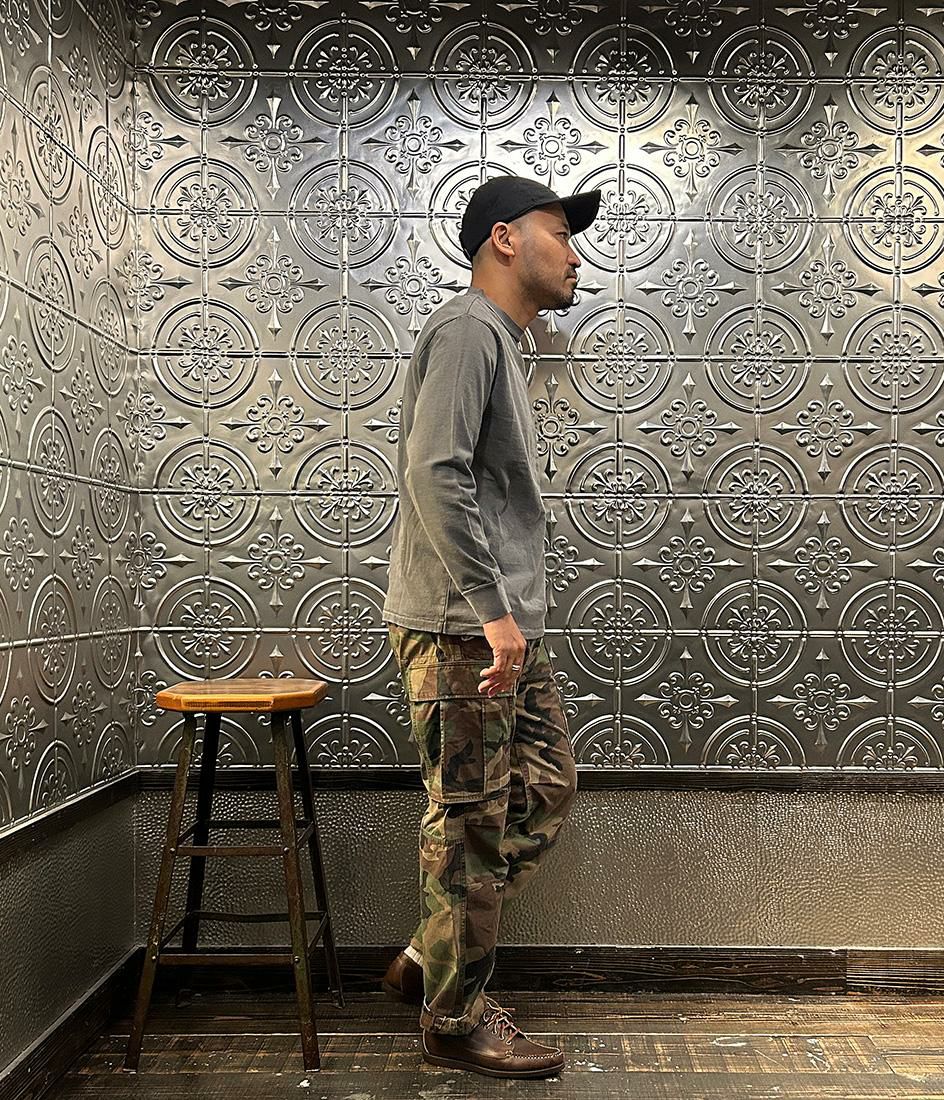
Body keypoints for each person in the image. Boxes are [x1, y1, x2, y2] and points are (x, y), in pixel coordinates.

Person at [380, 176, 602, 1079]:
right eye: (562, 233)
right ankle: (452, 1019)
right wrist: (493, 611)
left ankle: (431, 954)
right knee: (470, 821)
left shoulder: (501, 342)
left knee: (545, 784)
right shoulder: (469, 329)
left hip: (494, 625)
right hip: (464, 626)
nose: (576, 254)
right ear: (505, 240)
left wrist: (507, 617)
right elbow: (435, 472)